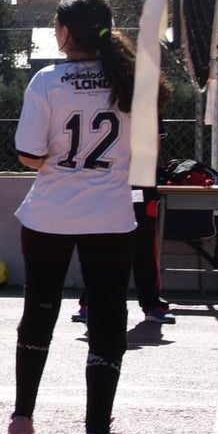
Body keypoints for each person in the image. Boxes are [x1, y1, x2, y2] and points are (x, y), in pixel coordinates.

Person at [6, 0, 144, 434]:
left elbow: (28, 154)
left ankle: (22, 420)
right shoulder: (131, 79)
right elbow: (146, 154)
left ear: (64, 34)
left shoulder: (47, 79)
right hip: (109, 215)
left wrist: (60, 160)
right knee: (107, 319)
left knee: (39, 310)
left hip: (48, 214)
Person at [72, 117, 175, 325]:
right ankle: (90, 303)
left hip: (127, 182)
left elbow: (152, 146)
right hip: (107, 181)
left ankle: (151, 304)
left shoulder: (143, 100)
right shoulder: (104, 94)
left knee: (141, 246)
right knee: (100, 246)